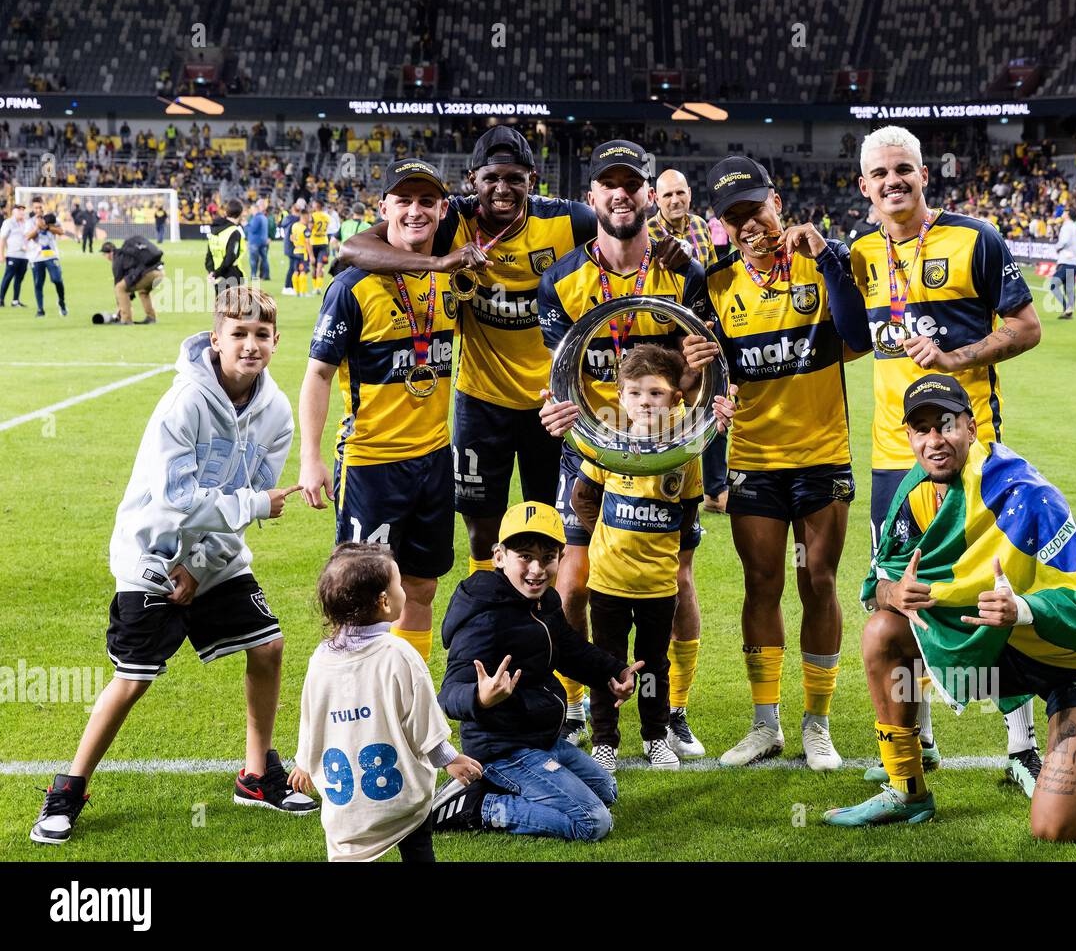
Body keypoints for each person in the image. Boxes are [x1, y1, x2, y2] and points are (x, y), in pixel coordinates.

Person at [823, 375, 1076, 837]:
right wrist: (893, 594)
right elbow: (873, 584)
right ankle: (907, 792)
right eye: (922, 429)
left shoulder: (1026, 493)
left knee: (1058, 827)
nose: (934, 441)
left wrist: (1021, 609)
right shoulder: (914, 492)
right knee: (883, 629)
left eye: (946, 425)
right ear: (909, 437)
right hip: (999, 650)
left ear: (972, 428)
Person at [30, 286, 312, 845]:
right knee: (133, 679)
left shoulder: (278, 412)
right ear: (216, 339)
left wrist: (201, 568)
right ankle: (68, 787)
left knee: (269, 646)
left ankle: (256, 774)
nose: (250, 345)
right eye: (238, 333)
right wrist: (245, 514)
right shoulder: (183, 402)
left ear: (276, 342)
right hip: (150, 554)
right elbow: (178, 498)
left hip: (215, 558)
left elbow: (240, 496)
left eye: (261, 335)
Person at [845, 125, 1044, 795]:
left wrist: (955, 357)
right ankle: (920, 738)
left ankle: (1021, 746)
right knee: (903, 600)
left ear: (924, 174)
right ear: (864, 185)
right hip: (890, 461)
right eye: (881, 174)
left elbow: (1026, 327)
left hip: (972, 453)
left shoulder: (976, 239)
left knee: (991, 591)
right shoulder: (861, 254)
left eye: (904, 170)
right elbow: (845, 337)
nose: (893, 182)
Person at [339, 128, 596, 587]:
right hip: (481, 401)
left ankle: (544, 627)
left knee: (550, 529)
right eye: (492, 178)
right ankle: (491, 607)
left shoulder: (569, 221)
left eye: (515, 178)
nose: (502, 189)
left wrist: (669, 250)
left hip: (550, 405)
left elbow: (628, 235)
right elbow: (353, 248)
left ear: (532, 179)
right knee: (481, 531)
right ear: (472, 180)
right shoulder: (452, 222)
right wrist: (439, 263)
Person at [537, 138, 707, 748]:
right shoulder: (560, 280)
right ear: (593, 198)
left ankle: (674, 710)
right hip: (591, 451)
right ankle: (579, 702)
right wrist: (556, 412)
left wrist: (700, 383)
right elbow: (561, 375)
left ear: (646, 194)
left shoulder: (682, 270)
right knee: (575, 578)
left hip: (666, 449)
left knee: (678, 581)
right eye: (609, 184)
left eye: (631, 183)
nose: (620, 193)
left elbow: (699, 369)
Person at [698, 155, 865, 771]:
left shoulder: (822, 263)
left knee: (818, 583)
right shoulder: (714, 285)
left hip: (821, 456)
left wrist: (825, 255)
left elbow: (861, 334)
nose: (748, 225)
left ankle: (817, 724)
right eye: (733, 216)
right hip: (753, 460)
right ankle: (765, 723)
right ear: (721, 226)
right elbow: (699, 370)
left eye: (755, 209)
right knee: (761, 587)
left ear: (778, 205)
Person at [298, 159, 459, 663]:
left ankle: (405, 696)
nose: (415, 211)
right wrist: (311, 457)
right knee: (361, 593)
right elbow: (318, 375)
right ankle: (354, 702)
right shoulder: (351, 288)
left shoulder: (452, 280)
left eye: (426, 201)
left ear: (442, 210)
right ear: (384, 208)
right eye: (404, 201)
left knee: (422, 586)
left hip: (434, 459)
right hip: (372, 463)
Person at [430, 502, 641, 840]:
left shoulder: (544, 602)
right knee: (593, 821)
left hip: (540, 740)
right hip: (502, 749)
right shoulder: (486, 617)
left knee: (607, 789)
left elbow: (569, 649)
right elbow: (449, 691)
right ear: (500, 556)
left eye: (547, 557)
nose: (537, 568)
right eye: (525, 556)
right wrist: (479, 697)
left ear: (561, 556)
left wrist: (612, 672)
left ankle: (504, 787)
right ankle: (479, 806)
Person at [288, 543, 482, 862]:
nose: (403, 590)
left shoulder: (320, 659)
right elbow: (421, 721)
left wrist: (304, 762)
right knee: (418, 850)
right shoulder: (400, 655)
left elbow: (312, 716)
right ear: (384, 601)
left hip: (348, 812)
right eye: (398, 584)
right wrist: (449, 758)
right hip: (401, 802)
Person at [571, 346, 703, 771]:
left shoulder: (684, 454)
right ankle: (605, 740)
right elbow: (582, 499)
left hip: (658, 584)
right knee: (605, 662)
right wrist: (607, 540)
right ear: (620, 397)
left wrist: (661, 550)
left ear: (675, 399)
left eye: (656, 394)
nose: (645, 402)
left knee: (653, 666)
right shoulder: (609, 446)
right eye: (635, 393)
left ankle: (655, 736)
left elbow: (689, 511)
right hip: (608, 581)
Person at [648, 168, 729, 514]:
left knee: (713, 404)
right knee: (667, 415)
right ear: (656, 199)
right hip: (664, 337)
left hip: (700, 331)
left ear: (690, 195)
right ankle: (663, 490)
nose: (675, 200)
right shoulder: (647, 232)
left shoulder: (701, 226)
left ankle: (714, 489)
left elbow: (709, 276)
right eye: (667, 195)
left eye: (680, 193)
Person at [101, 236, 164, 325]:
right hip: (160, 272)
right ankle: (151, 318)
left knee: (120, 288)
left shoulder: (117, 257)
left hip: (149, 274)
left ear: (110, 253)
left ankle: (126, 319)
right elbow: (131, 278)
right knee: (144, 291)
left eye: (104, 255)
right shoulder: (127, 254)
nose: (105, 257)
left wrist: (119, 306)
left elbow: (118, 282)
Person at [205, 199, 246, 301]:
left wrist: (212, 272)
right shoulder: (234, 232)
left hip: (218, 278)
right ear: (240, 214)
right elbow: (230, 258)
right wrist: (216, 273)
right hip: (232, 275)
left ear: (226, 212)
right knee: (235, 313)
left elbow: (209, 255)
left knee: (221, 312)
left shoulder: (214, 230)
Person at [1049, 206, 1076, 319]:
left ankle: (1066, 307)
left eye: (1064, 212)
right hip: (1075, 262)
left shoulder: (1066, 227)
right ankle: (1069, 311)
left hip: (1066, 261)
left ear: (1067, 214)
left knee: (1053, 285)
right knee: (1069, 288)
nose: (1062, 213)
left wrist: (1057, 247)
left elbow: (1064, 241)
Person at [0, 202, 31, 307]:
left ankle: (15, 301)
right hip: (13, 254)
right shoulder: (8, 222)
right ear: (14, 211)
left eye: (23, 210)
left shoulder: (25, 223)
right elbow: (2, 239)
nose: (22, 212)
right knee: (8, 277)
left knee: (19, 279)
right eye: (19, 210)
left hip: (24, 256)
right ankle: (1, 299)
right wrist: (1, 254)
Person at [245, 198, 270, 283]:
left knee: (253, 260)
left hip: (255, 242)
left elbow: (253, 229)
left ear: (255, 209)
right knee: (264, 259)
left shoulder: (256, 218)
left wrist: (245, 225)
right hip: (263, 241)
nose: (251, 211)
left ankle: (253, 275)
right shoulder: (264, 217)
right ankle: (266, 275)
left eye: (252, 210)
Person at [309, 198, 330, 293]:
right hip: (324, 242)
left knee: (314, 266)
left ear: (317, 205)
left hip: (314, 242)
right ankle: (318, 287)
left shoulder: (313, 216)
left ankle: (316, 287)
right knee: (320, 267)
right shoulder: (327, 216)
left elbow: (310, 228)